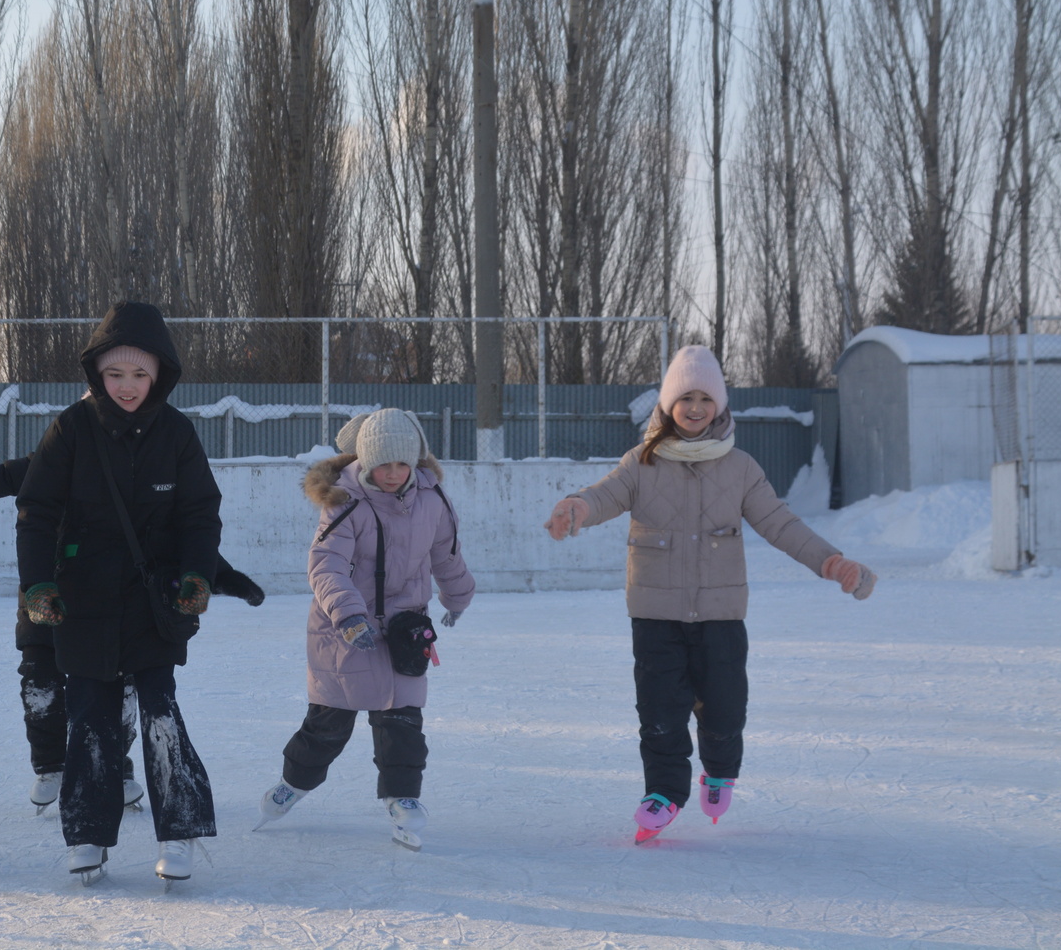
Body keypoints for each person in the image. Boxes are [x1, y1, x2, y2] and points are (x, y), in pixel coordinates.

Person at [543, 345, 876, 844]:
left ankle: (719, 770)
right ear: (668, 405)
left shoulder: (740, 468)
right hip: (656, 613)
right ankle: (662, 791)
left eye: (705, 398)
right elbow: (603, 494)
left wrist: (832, 562)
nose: (695, 407)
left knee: (724, 708)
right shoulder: (642, 463)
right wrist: (576, 507)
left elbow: (780, 524)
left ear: (719, 406)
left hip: (720, 614)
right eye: (685, 397)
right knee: (659, 710)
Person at [0, 448, 264, 815]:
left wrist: (221, 574)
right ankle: (51, 765)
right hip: (45, 590)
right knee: (41, 680)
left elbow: (171, 532)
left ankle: (115, 767)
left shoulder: (139, 472)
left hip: (109, 600)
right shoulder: (57, 456)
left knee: (116, 683)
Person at [14, 301, 223, 885]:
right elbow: (35, 512)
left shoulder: (177, 433)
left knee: (160, 711)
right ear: (96, 375)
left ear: (159, 374)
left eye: (139, 374)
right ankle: (85, 834)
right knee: (89, 718)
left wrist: (197, 575)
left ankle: (178, 833)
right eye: (115, 374)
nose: (127, 386)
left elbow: (201, 514)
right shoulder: (71, 430)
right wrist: (39, 585)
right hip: (82, 600)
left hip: (154, 603)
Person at [256, 407, 475, 851]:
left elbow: (447, 556)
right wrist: (349, 615)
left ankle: (403, 799)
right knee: (328, 726)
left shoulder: (433, 501)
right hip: (343, 631)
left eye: (402, 463)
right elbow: (326, 566)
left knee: (402, 723)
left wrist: (457, 598)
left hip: (404, 630)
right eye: (383, 463)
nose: (394, 473)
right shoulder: (345, 501)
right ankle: (293, 782)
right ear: (366, 460)